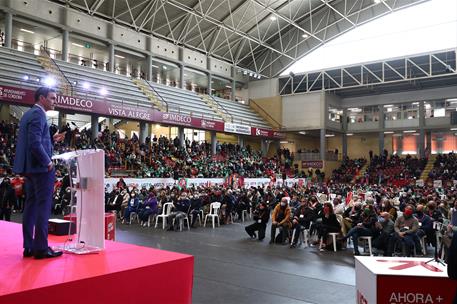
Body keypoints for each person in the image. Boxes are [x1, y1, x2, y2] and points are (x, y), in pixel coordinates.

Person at [13, 87, 65, 259]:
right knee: (43, 206)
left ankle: (29, 246)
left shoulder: (28, 114)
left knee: (31, 205)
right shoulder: (39, 114)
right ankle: (41, 248)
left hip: (29, 168)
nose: (54, 101)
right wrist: (48, 162)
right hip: (41, 168)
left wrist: (51, 139)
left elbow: (33, 140)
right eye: (52, 98)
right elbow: (34, 144)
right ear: (42, 98)